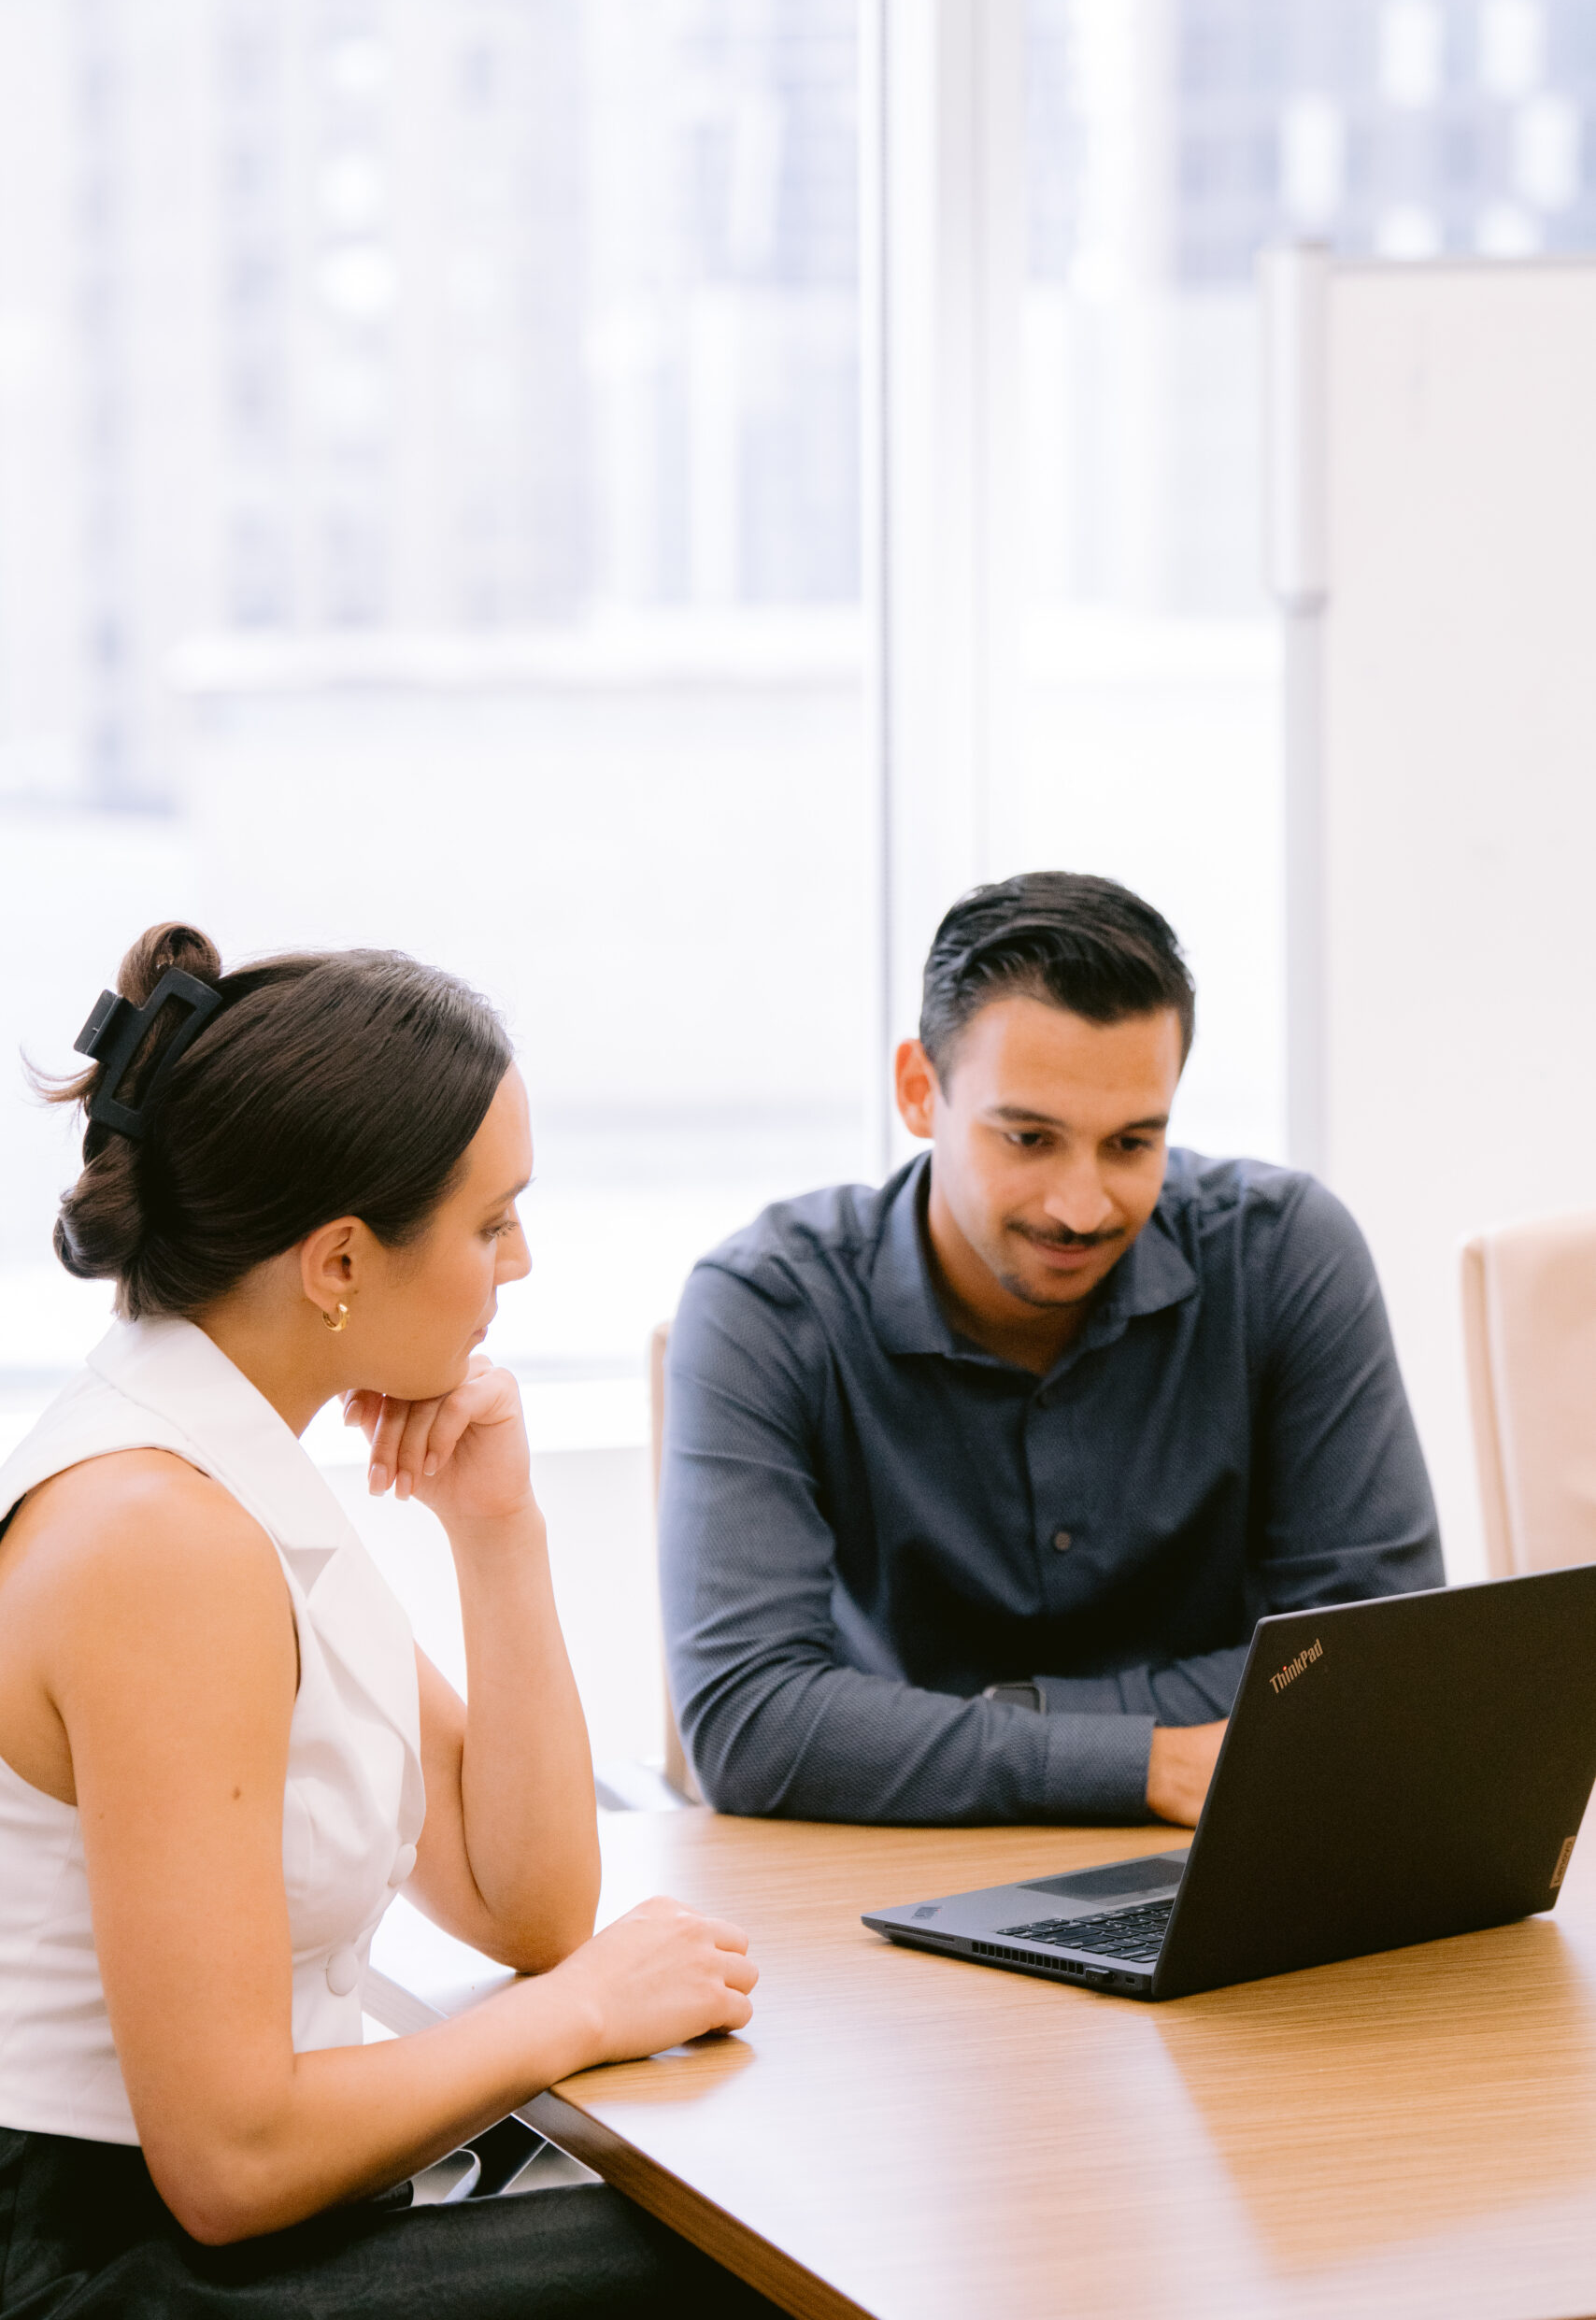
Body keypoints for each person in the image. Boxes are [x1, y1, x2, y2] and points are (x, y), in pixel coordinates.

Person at [0, 923, 777, 2318]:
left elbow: (525, 1903)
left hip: (186, 2231)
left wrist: (499, 1531)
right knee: (756, 2260)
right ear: (341, 1263)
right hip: (94, 2263)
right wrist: (586, 2011)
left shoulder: (222, 1461)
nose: (519, 1263)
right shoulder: (161, 1541)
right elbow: (229, 2161)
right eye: (491, 1223)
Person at [660, 872, 1444, 1830]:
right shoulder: (765, 1305)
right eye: (1028, 1137)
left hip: (1220, 1847)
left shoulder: (1283, 1253)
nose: (1081, 1205)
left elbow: (1372, 1656)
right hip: (889, 1879)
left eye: (1130, 1144)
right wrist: (1140, 1762)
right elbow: (750, 1722)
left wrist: (994, 1725)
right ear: (919, 1089)